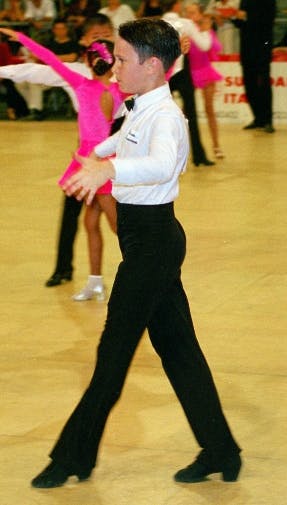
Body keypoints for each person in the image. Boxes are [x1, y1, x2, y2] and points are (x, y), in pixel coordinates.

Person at [29, 17, 241, 489]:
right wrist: (95, 154)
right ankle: (222, 451)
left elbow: (166, 162)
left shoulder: (166, 116)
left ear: (151, 65)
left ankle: (71, 457)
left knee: (112, 356)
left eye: (122, 60)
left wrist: (108, 170)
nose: (113, 68)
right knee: (179, 351)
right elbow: (120, 138)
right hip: (148, 241)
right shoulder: (142, 105)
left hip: (153, 245)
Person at [0, 27, 123, 300]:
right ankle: (95, 282)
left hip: (97, 164)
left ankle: (141, 276)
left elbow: (48, 58)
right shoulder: (118, 88)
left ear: (90, 59)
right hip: (91, 161)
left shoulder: (86, 83)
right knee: (91, 224)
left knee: (118, 227)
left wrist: (21, 38)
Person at [161, 0, 215, 166]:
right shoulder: (186, 23)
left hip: (162, 75)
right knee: (191, 115)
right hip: (183, 74)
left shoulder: (155, 24)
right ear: (176, 5)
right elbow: (205, 45)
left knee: (159, 116)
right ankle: (199, 156)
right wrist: (206, 30)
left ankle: (162, 157)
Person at [185, 1, 224, 159]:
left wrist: (207, 31)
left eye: (193, 13)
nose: (190, 16)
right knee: (186, 112)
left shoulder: (204, 30)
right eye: (187, 13)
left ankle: (216, 145)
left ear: (200, 14)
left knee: (209, 109)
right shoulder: (185, 29)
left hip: (205, 71)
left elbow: (216, 47)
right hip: (189, 74)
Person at [233, 0, 276, 133]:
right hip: (246, 46)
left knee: (263, 83)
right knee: (249, 83)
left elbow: (268, 19)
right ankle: (258, 118)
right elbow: (240, 24)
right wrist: (235, 17)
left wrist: (246, 16)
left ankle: (268, 120)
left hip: (262, 45)